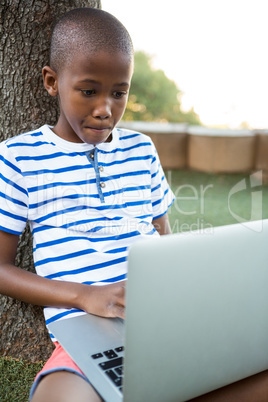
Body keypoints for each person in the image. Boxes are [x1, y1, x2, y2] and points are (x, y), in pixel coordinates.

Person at [0, 7, 267, 402]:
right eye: (89, 91)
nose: (105, 108)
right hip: (88, 327)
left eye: (119, 92)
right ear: (52, 81)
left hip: (163, 317)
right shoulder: (19, 156)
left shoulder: (141, 149)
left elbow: (165, 241)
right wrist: (84, 295)